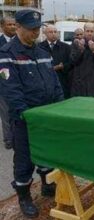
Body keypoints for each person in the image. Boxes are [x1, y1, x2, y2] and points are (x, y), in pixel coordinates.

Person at [0, 10, 63, 218]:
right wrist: (26, 115)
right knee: (25, 159)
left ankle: (46, 185)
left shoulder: (43, 53)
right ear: (18, 27)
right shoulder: (7, 54)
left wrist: (59, 107)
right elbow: (11, 91)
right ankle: (24, 196)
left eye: (38, 29)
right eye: (31, 29)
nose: (36, 33)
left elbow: (55, 83)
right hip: (25, 119)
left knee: (47, 152)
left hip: (47, 117)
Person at [70, 23, 94, 98]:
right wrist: (80, 50)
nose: (89, 33)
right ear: (84, 32)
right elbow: (73, 61)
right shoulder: (77, 44)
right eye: (87, 31)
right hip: (80, 82)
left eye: (92, 31)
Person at [39, 25, 72, 98]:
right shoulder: (39, 47)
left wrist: (62, 67)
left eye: (55, 32)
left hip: (62, 80)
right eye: (50, 32)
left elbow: (71, 62)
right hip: (45, 81)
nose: (53, 34)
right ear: (45, 34)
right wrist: (51, 68)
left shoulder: (66, 47)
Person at [0, 17, 16, 149]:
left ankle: (18, 137)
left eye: (14, 24)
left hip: (19, 83)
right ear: (2, 26)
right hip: (4, 84)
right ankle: (9, 140)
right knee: (6, 113)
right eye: (9, 24)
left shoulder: (19, 42)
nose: (12, 27)